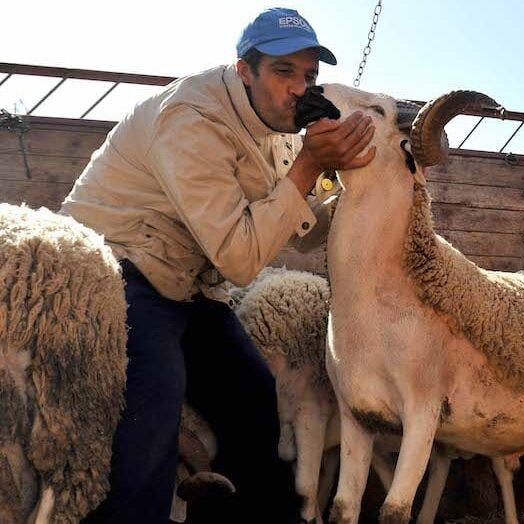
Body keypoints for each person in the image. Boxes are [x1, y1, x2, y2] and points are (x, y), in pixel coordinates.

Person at [62, 7, 375, 523]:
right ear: (243, 70)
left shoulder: (279, 128)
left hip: (192, 289)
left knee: (255, 403)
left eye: (309, 75)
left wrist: (346, 191)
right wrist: (310, 167)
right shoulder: (191, 119)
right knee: (150, 416)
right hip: (119, 272)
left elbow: (292, 231)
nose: (300, 88)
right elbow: (240, 256)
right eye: (283, 71)